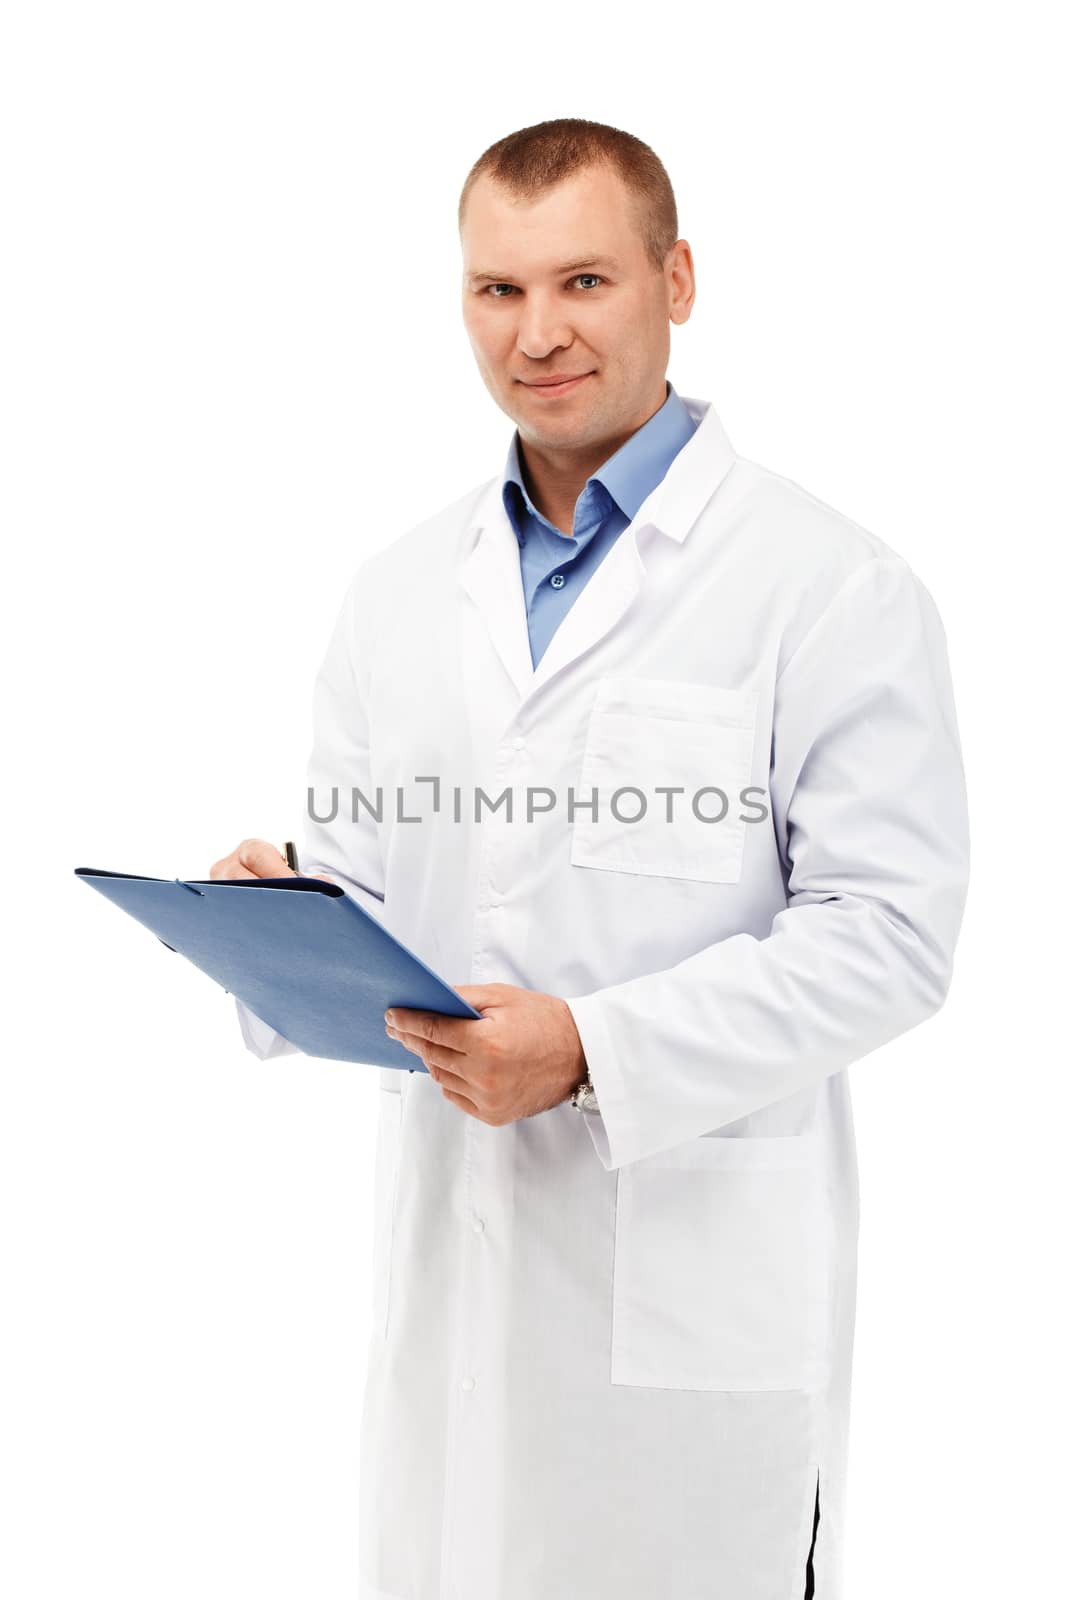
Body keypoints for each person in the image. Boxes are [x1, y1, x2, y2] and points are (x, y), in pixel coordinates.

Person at [209, 117, 970, 1600]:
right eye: (497, 292)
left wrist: (593, 1051)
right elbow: (379, 876)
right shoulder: (401, 592)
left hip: (690, 1310)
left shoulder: (828, 586)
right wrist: (282, 926)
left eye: (584, 282)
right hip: (455, 1298)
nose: (538, 334)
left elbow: (890, 938)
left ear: (675, 280)